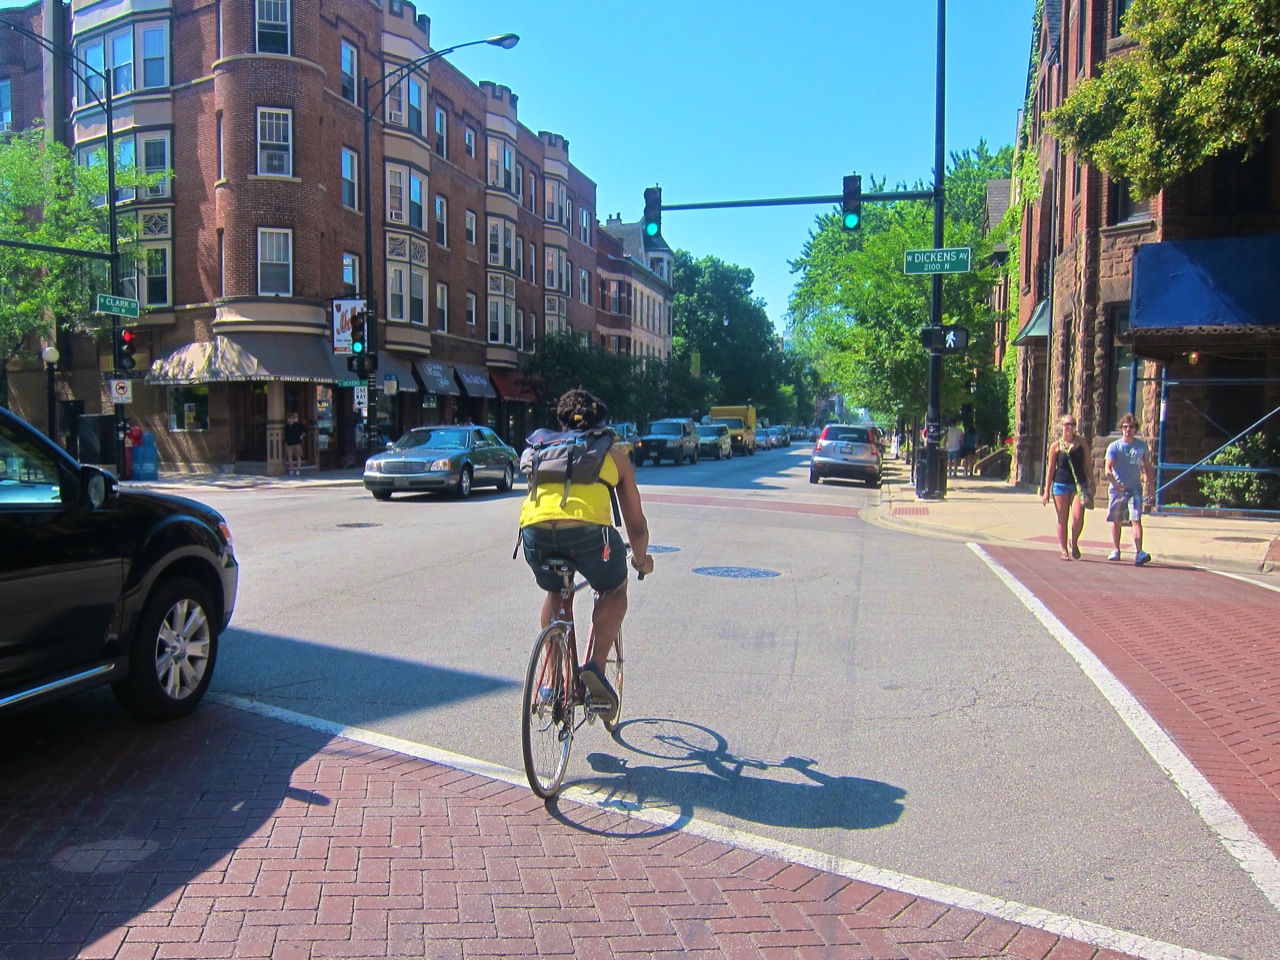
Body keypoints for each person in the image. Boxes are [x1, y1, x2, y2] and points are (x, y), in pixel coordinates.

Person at [518, 389, 654, 718]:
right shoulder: (614, 455)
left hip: (534, 533)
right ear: (599, 421)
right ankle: (595, 668)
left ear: (561, 421)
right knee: (614, 587)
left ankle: (553, 684)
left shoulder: (542, 448)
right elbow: (635, 526)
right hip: (590, 536)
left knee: (557, 591)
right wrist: (640, 560)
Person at [1105, 412, 1157, 565]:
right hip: (1118, 488)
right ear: (1121, 428)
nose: (1128, 430)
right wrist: (1114, 483)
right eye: (1125, 427)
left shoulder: (1141, 446)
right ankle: (1116, 549)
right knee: (1116, 519)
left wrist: (1152, 486)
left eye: (1131, 427)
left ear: (1135, 429)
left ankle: (1139, 552)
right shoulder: (1114, 446)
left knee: (1136, 519)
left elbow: (1147, 466)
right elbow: (1108, 468)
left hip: (1134, 488)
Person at [1042, 414, 1091, 560]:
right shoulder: (1055, 446)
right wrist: (1046, 491)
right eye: (1067, 424)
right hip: (1060, 484)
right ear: (1061, 426)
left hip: (1078, 484)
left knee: (1078, 517)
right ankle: (1064, 550)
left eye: (1072, 424)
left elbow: (1087, 463)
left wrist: (1092, 482)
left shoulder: (1081, 443)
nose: (1069, 427)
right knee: (1062, 519)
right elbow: (1050, 469)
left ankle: (1074, 542)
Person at [284, 412, 305, 477]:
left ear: (294, 419)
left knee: (298, 456)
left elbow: (305, 429)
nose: (290, 420)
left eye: (292, 418)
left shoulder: (298, 425)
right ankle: (292, 470)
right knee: (290, 457)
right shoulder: (286, 427)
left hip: (297, 443)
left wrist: (302, 435)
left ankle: (298, 470)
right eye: (289, 418)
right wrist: (286, 444)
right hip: (290, 444)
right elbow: (286, 436)